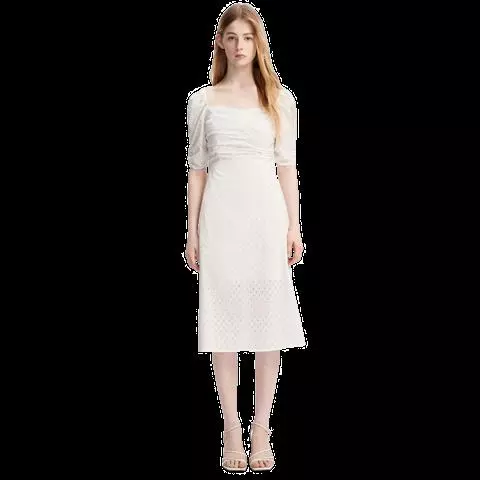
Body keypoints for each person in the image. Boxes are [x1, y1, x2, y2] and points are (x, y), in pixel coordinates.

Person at [184, 2, 307, 473]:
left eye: (248, 38)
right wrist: (192, 230)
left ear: (259, 44)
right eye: (232, 37)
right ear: (220, 42)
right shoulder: (202, 101)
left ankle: (261, 429)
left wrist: (294, 225)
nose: (239, 46)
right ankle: (232, 428)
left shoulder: (280, 98)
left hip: (265, 218)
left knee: (267, 321)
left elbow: (287, 168)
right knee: (224, 322)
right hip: (221, 218)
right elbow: (197, 170)